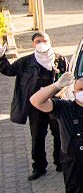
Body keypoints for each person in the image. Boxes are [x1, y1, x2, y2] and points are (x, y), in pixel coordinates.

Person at [0, 32, 70, 180]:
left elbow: (67, 79)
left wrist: (59, 93)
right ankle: (39, 166)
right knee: (37, 136)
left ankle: (60, 162)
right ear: (33, 44)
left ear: (50, 42)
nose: (41, 43)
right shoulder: (26, 62)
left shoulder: (60, 60)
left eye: (44, 40)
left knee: (59, 133)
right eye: (38, 41)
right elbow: (9, 70)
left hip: (55, 104)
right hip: (35, 106)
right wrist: (1, 57)